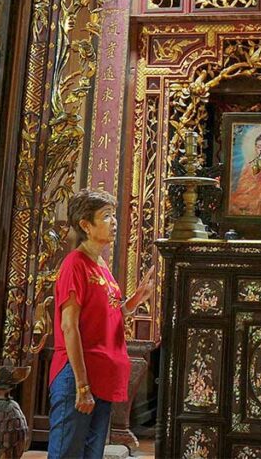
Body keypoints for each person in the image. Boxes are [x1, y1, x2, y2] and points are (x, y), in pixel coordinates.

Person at [48, 189, 156, 459]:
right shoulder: (75, 264)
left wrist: (134, 301)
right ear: (85, 225)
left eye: (113, 215)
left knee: (91, 454)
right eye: (106, 216)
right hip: (77, 373)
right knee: (67, 453)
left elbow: (107, 313)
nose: (114, 222)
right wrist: (82, 386)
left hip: (101, 376)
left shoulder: (101, 265)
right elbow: (69, 327)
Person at [228, 129, 261, 215]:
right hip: (252, 202)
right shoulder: (249, 169)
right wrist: (259, 194)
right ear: (255, 148)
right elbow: (242, 191)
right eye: (259, 147)